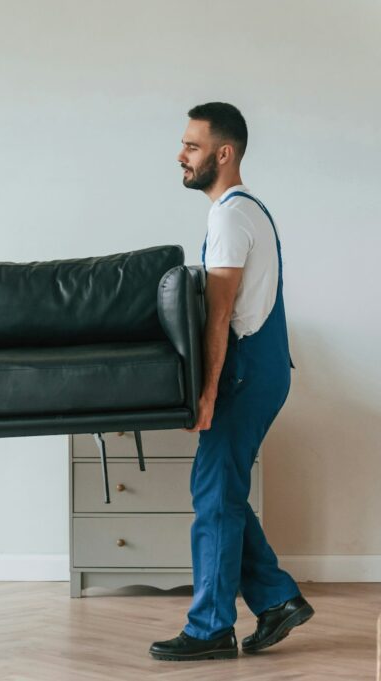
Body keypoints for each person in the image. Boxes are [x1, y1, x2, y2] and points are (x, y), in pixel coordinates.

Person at [149, 103, 313, 661]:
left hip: (245, 368)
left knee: (216, 496)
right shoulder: (246, 210)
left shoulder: (228, 217)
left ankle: (210, 628)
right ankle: (275, 600)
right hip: (262, 366)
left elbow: (219, 317)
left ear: (224, 153)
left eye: (192, 146)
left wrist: (208, 392)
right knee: (220, 492)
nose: (181, 155)